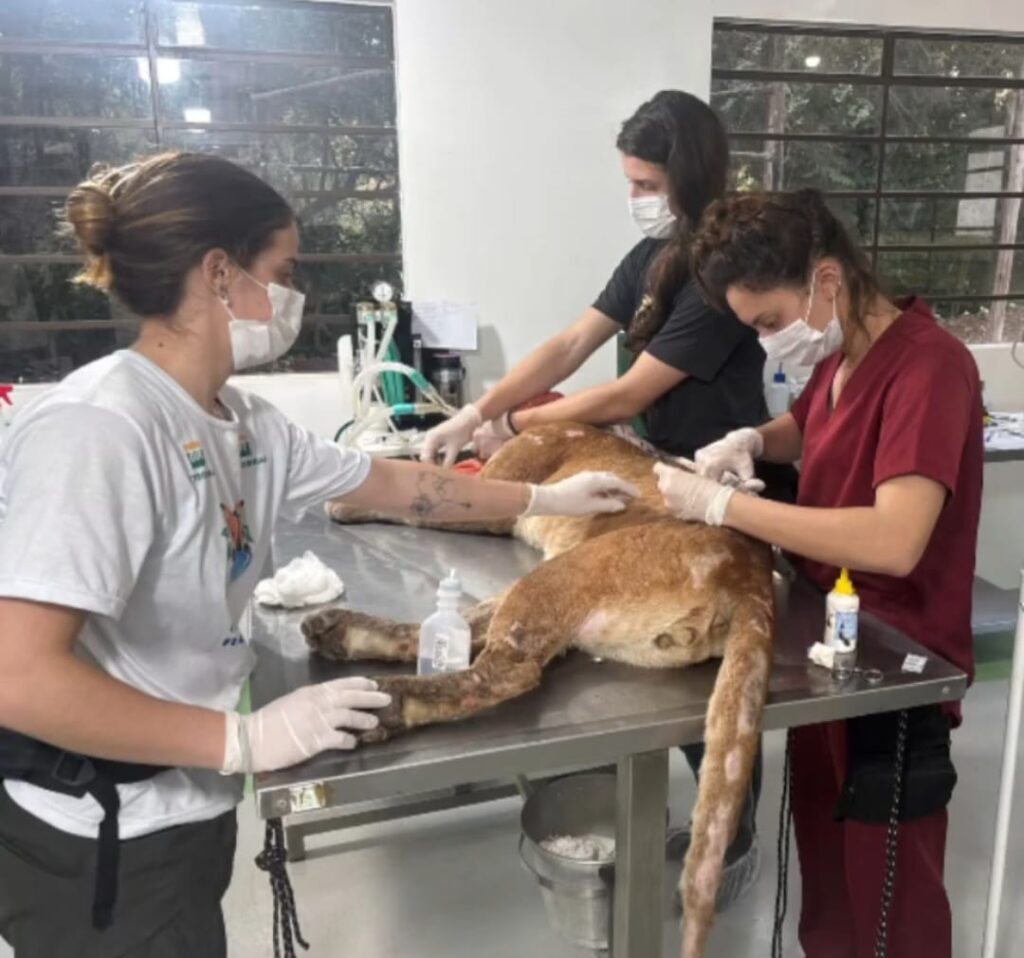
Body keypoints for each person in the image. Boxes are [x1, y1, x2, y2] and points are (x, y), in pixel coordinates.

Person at [0, 152, 638, 958]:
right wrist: (239, 743)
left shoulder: (244, 422)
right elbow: (18, 678)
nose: (293, 297)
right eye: (285, 270)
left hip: (178, 805)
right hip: (101, 833)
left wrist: (546, 498)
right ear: (220, 274)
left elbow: (400, 487)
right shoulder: (102, 426)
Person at [422, 89, 781, 903]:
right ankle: (619, 790)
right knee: (625, 641)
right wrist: (476, 410)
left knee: (709, 664)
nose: (637, 199)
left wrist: (517, 420)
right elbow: (569, 343)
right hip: (651, 469)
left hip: (719, 482)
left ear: (688, 174)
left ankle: (736, 827)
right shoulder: (651, 261)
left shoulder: (723, 272)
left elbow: (625, 394)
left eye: (648, 182)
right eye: (629, 183)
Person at [657, 188, 983, 958]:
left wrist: (723, 509)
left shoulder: (930, 367)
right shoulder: (842, 355)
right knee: (830, 882)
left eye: (769, 321)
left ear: (826, 280)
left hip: (896, 668)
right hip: (828, 650)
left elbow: (897, 540)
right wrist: (752, 441)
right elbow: (807, 425)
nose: (769, 341)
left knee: (889, 896)